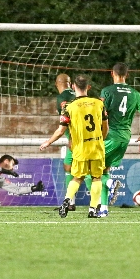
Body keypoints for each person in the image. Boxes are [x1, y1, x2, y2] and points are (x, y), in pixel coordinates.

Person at [40, 75, 108, 218]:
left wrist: (48, 142)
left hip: (80, 148)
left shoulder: (68, 107)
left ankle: (67, 200)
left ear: (73, 87)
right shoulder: (99, 103)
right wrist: (100, 139)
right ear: (88, 87)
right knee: (96, 178)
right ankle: (93, 209)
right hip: (96, 146)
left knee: (77, 177)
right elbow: (105, 127)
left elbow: (61, 131)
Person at [99, 62, 140, 217]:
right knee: (104, 170)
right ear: (127, 75)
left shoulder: (107, 91)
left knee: (90, 167)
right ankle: (103, 209)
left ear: (112, 73)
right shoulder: (134, 93)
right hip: (125, 138)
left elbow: (100, 112)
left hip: (109, 136)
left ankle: (110, 183)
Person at [54, 73, 79, 211]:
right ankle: (70, 202)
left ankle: (99, 201)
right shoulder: (77, 93)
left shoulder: (61, 98)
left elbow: (66, 122)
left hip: (76, 139)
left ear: (56, 83)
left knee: (85, 170)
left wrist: (70, 138)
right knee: (68, 166)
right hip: (87, 136)